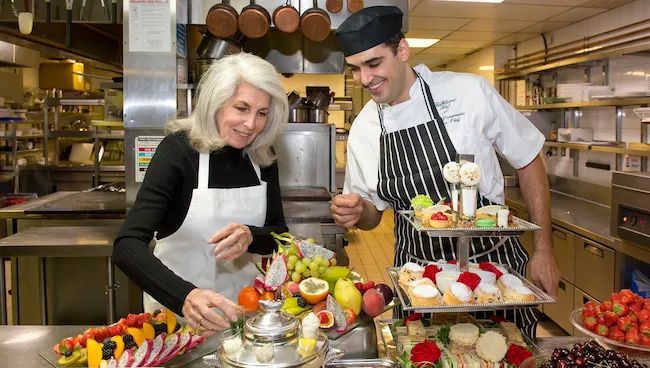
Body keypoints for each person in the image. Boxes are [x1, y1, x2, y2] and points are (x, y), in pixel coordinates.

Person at [330, 6, 560, 338]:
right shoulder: (366, 126)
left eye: (374, 63)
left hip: (493, 270)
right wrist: (355, 212)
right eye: (355, 69)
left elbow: (528, 158)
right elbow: (373, 215)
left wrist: (544, 248)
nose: (365, 79)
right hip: (419, 278)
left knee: (507, 363)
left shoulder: (468, 93)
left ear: (403, 50)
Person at [113, 52, 289, 335]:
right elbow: (127, 245)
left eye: (262, 113)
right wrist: (186, 297)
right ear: (215, 104)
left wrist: (252, 236)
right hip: (178, 321)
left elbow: (280, 236)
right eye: (241, 108)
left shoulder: (262, 157)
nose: (251, 124)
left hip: (245, 320)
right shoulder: (178, 152)